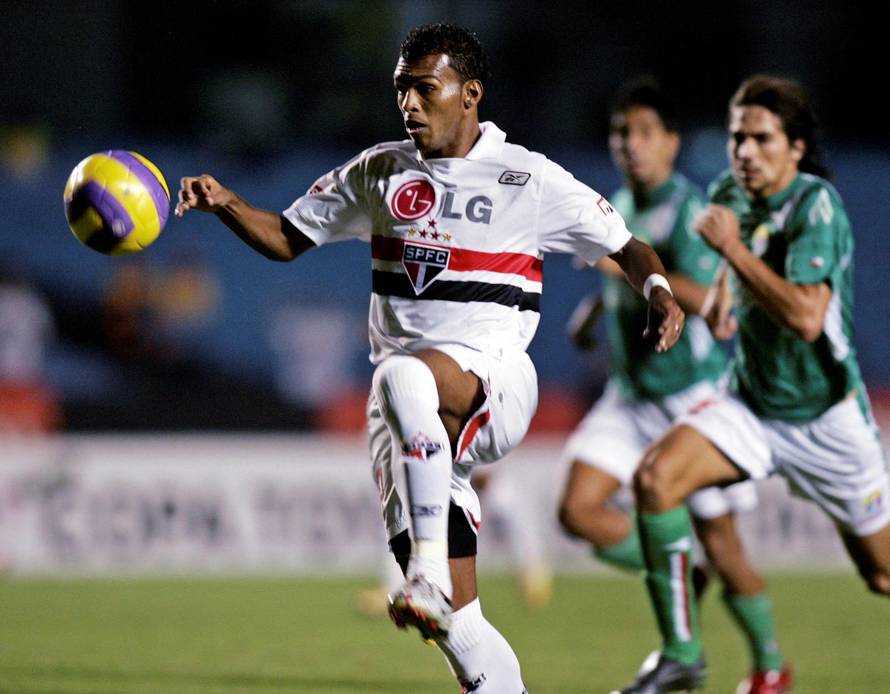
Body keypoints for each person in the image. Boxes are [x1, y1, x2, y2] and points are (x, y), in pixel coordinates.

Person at [175, 23, 684, 693]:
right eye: (400, 91)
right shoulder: (379, 170)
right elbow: (289, 237)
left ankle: (426, 574)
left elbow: (625, 243)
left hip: (493, 381)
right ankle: (460, 622)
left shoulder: (526, 178)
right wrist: (228, 204)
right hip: (406, 421)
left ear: (469, 93)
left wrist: (658, 290)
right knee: (461, 631)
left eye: (425, 89)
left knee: (402, 374)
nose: (410, 105)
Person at [612, 74, 890, 694]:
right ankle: (682, 653)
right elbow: (728, 278)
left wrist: (734, 256)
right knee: (655, 479)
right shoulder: (725, 194)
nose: (744, 151)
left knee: (881, 576)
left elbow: (807, 316)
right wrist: (717, 299)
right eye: (738, 136)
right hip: (751, 403)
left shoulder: (816, 205)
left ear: (795, 148)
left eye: (761, 138)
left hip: (826, 417)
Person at [556, 78, 790, 693]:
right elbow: (627, 279)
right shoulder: (617, 206)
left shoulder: (689, 209)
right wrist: (593, 313)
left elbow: (713, 301)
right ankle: (677, 570)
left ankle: (770, 663)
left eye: (642, 133)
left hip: (694, 395)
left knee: (724, 544)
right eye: (619, 133)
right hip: (632, 395)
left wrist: (617, 265)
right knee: (578, 508)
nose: (629, 145)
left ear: (671, 143)